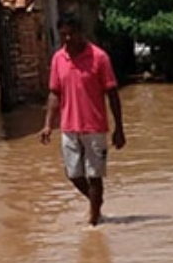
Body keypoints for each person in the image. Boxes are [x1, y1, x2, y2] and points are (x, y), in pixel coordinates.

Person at [40, 13, 126, 226]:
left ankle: (94, 223)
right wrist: (48, 125)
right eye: (63, 35)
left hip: (95, 127)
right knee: (73, 174)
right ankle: (96, 201)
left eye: (71, 34)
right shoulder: (58, 58)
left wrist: (119, 128)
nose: (67, 39)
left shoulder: (99, 57)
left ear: (80, 32)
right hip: (68, 126)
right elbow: (54, 93)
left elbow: (112, 93)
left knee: (94, 175)